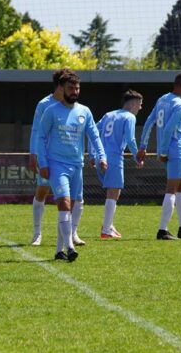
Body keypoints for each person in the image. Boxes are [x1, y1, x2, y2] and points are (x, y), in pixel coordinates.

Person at [37, 72, 107, 262]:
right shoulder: (51, 110)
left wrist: (102, 156)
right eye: (70, 88)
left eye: (77, 88)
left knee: (72, 206)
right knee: (64, 203)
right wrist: (42, 163)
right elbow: (40, 137)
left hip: (77, 165)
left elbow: (94, 136)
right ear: (62, 89)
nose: (74, 91)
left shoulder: (85, 111)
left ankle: (59, 250)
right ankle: (69, 246)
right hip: (56, 164)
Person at [137, 72, 181, 240]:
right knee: (172, 188)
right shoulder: (180, 105)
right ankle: (162, 230)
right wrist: (163, 151)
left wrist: (144, 145)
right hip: (173, 149)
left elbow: (149, 121)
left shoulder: (162, 99)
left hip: (165, 148)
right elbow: (170, 129)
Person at [29, 68, 81, 247]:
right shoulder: (44, 105)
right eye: (66, 85)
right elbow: (37, 131)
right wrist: (33, 154)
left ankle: (72, 233)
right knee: (42, 190)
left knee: (76, 197)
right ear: (59, 86)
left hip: (72, 160)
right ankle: (37, 233)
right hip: (49, 157)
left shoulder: (76, 106)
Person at [91, 90, 144, 239]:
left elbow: (93, 130)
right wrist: (137, 157)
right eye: (140, 105)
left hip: (101, 157)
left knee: (114, 191)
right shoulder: (130, 117)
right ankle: (106, 229)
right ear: (133, 104)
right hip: (114, 158)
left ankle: (109, 224)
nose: (140, 108)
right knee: (113, 192)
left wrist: (92, 153)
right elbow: (130, 139)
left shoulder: (109, 114)